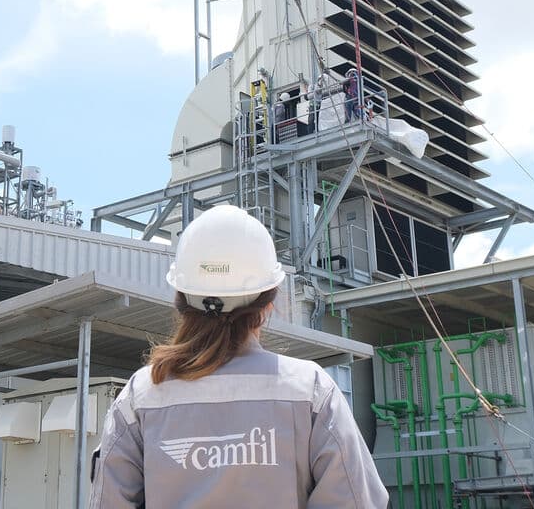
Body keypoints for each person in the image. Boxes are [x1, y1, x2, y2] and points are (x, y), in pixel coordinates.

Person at [89, 205, 389, 508]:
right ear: (266, 306)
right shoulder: (310, 391)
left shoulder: (140, 396)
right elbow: (356, 501)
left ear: (181, 301)